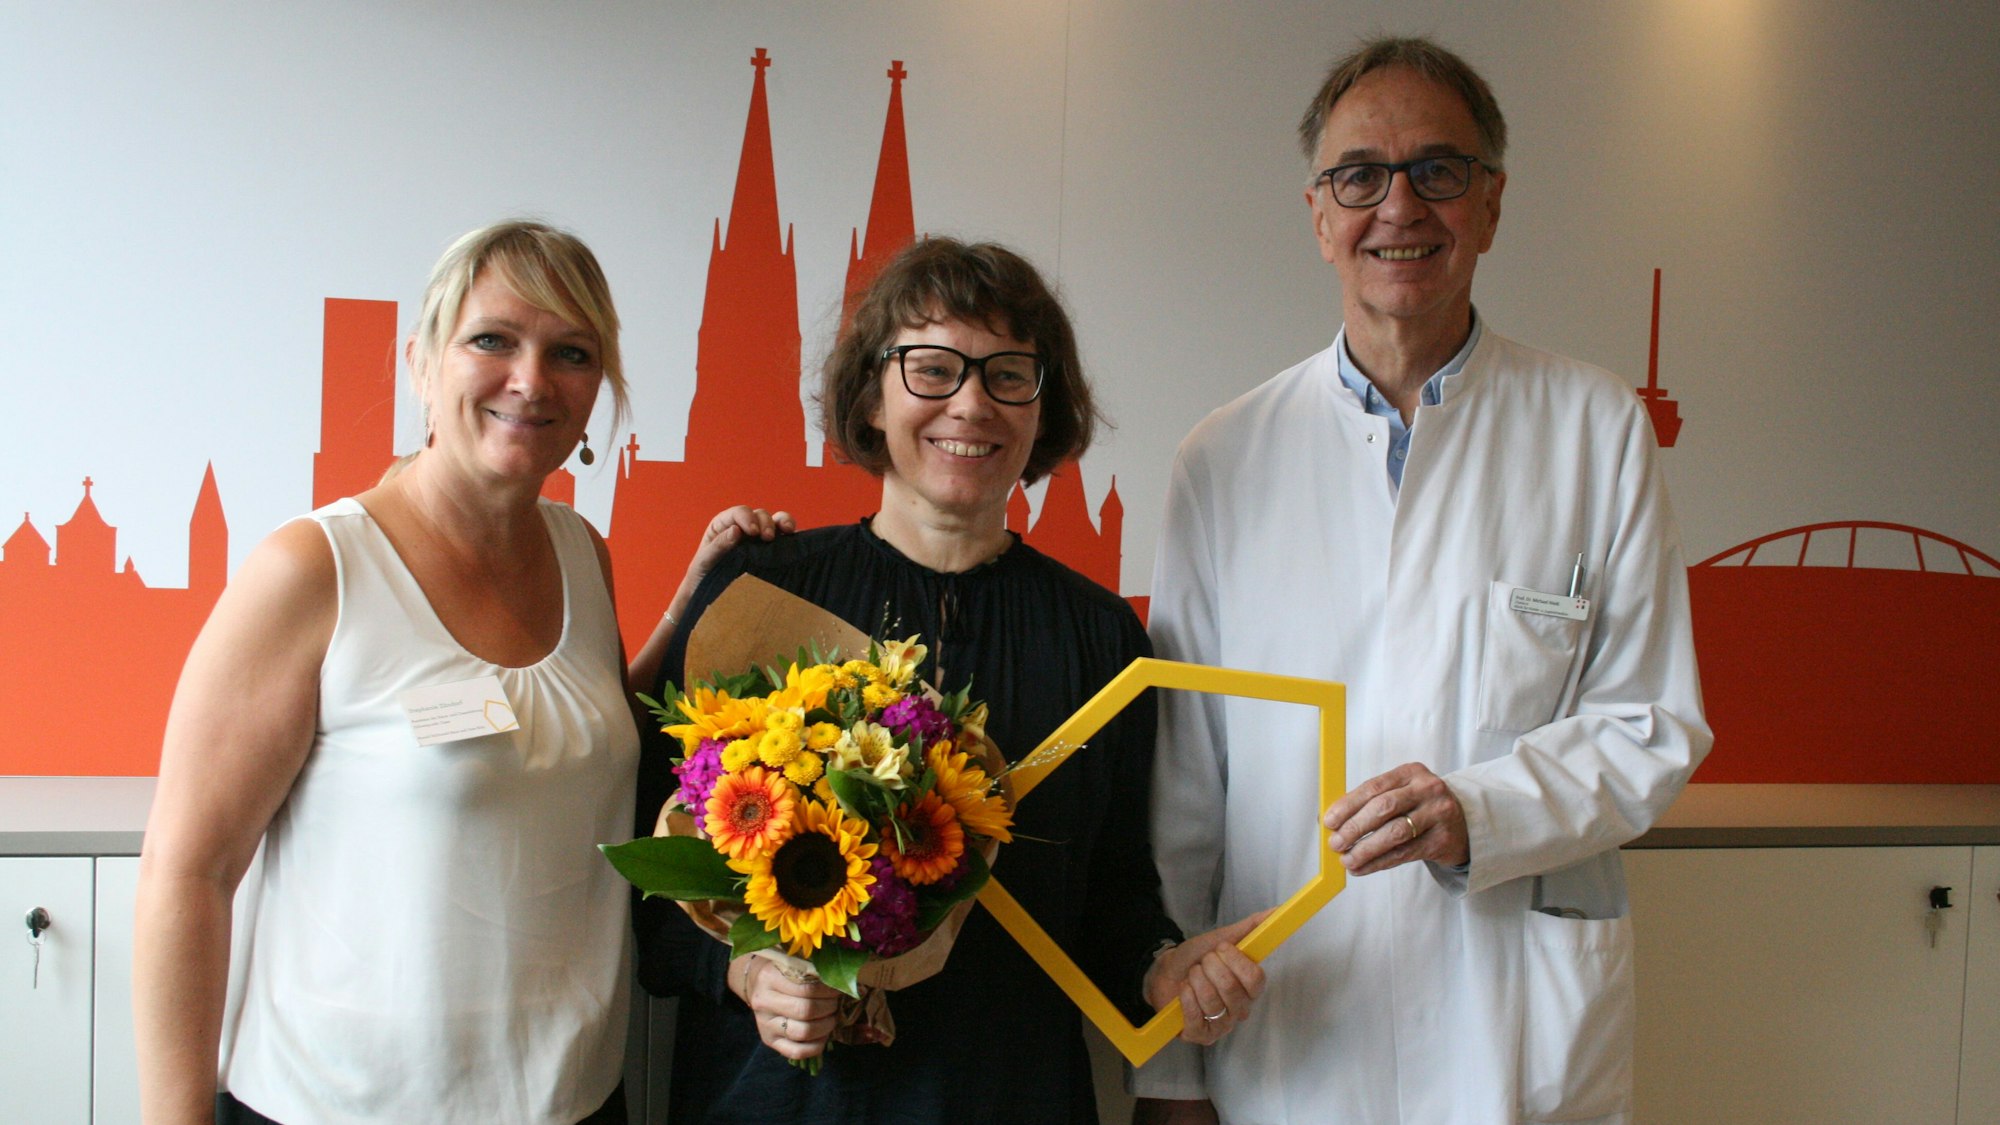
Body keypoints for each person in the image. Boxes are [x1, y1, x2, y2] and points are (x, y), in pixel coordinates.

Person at [1134, 37, 1712, 1125]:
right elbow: (1185, 788)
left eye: (1437, 171)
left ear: (1490, 204)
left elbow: (1650, 723)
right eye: (1359, 176)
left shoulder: (1594, 428)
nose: (1398, 206)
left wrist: (1476, 812)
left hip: (1512, 1027)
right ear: (1319, 215)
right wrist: (1168, 1072)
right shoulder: (1223, 457)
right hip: (1292, 1020)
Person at [632, 236, 1267, 1125]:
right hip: (774, 1104)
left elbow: (1113, 894)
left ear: (1044, 409)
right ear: (871, 394)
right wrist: (742, 972)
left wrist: (1162, 970)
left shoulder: (1103, 639)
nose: (971, 403)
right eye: (932, 368)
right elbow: (652, 894)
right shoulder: (760, 594)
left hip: (1009, 1097)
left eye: (1009, 374)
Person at [133, 220, 640, 1125]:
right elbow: (188, 874)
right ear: (421, 364)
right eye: (493, 339)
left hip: (574, 1099)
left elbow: (560, 744)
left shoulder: (584, 556)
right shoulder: (314, 569)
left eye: (571, 352)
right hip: (339, 1104)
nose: (531, 379)